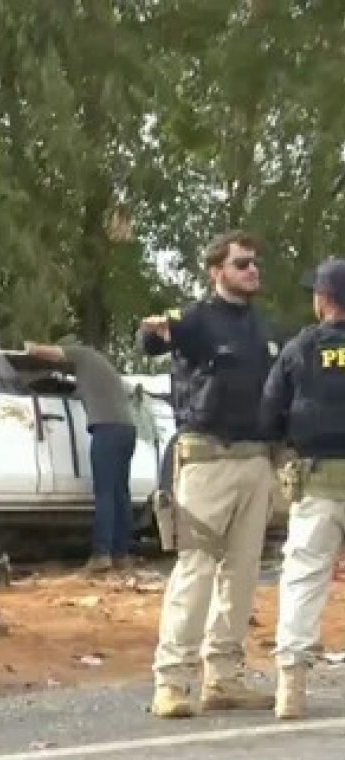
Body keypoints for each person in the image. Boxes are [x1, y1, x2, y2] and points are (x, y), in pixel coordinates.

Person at [137, 230, 282, 718]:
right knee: (196, 570)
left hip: (255, 458)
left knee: (242, 574)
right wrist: (154, 329)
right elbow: (152, 340)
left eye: (254, 263)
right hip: (207, 458)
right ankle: (171, 680)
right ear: (216, 271)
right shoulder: (197, 319)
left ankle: (223, 677)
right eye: (242, 264)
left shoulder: (262, 326)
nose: (252, 271)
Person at [259, 257, 345, 719]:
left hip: (318, 482)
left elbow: (270, 411)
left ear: (323, 300)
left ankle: (290, 686)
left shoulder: (301, 348)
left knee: (304, 579)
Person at [24, 338, 138, 573]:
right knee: (120, 493)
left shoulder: (84, 353)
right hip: (126, 429)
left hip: (107, 430)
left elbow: (52, 352)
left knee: (105, 492)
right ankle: (122, 555)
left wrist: (31, 349)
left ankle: (101, 555)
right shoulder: (103, 370)